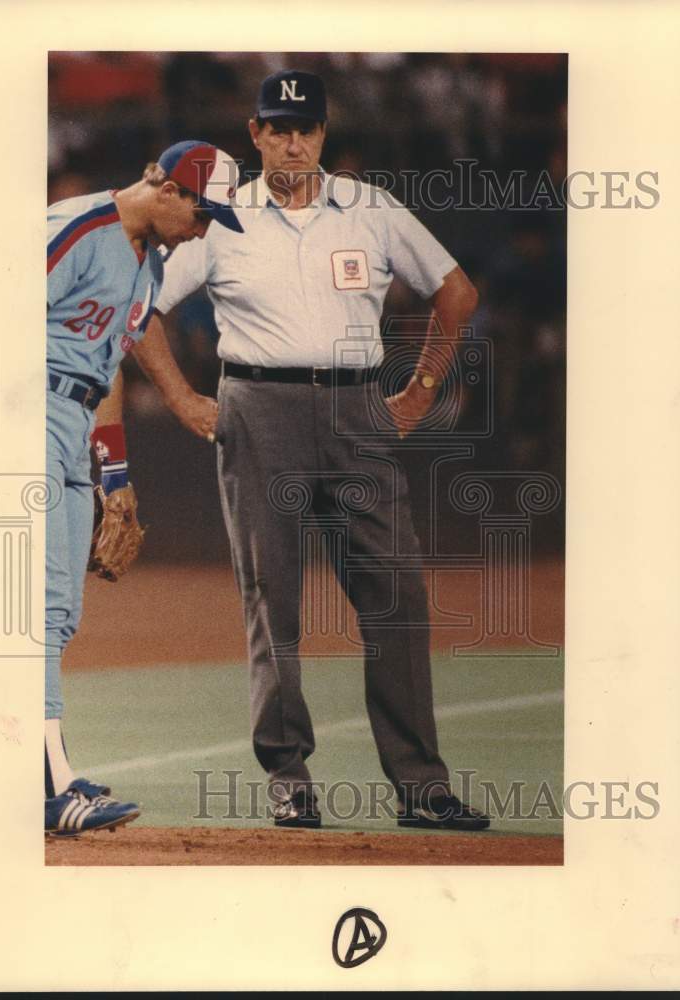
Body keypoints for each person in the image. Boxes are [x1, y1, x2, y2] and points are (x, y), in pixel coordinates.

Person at [152, 70, 489, 830]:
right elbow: (143, 311)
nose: (294, 140)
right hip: (257, 406)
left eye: (306, 128)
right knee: (272, 599)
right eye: (279, 127)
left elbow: (456, 291)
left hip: (357, 406)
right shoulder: (220, 216)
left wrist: (421, 387)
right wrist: (180, 397)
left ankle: (421, 786)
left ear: (324, 135)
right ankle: (289, 776)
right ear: (255, 135)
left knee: (397, 599)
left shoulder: (367, 207)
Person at [45, 140, 242, 836]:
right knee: (35, 609)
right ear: (167, 189)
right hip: (25, 414)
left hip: (72, 424)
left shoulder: (147, 264)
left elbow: (104, 365)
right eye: (204, 212)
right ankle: (50, 786)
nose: (204, 229)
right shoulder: (77, 228)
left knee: (60, 613)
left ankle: (43, 772)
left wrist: (115, 472)